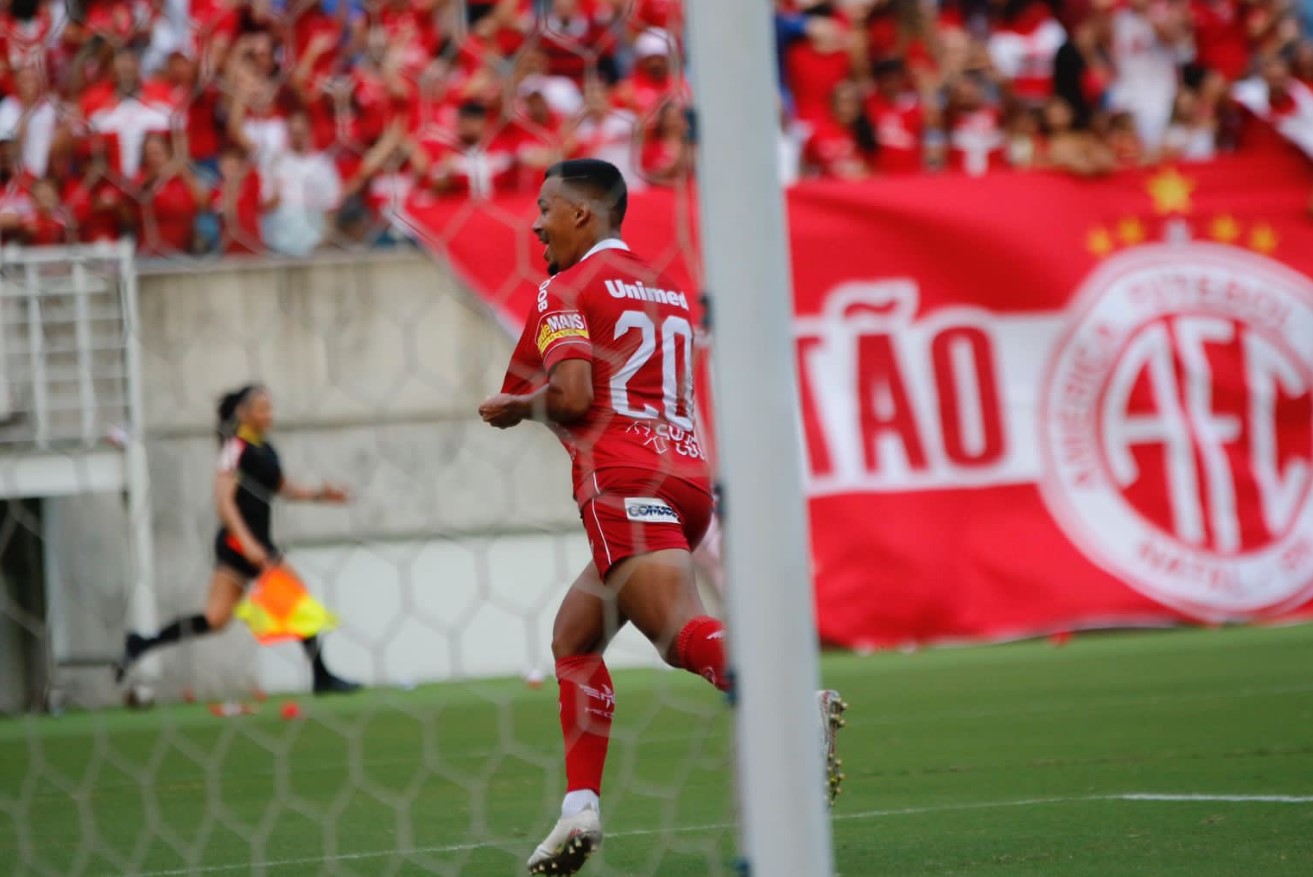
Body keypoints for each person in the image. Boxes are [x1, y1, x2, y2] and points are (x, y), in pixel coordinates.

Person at [478, 159, 846, 875]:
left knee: (680, 637)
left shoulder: (565, 285)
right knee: (574, 636)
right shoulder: (664, 285)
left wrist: (519, 407)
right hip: (686, 479)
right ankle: (577, 807)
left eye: (546, 207)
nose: (535, 222)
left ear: (582, 215)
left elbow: (577, 394)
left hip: (623, 480)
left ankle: (789, 707)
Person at [117, 384, 360, 695]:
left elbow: (284, 488)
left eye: (269, 408)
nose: (268, 414)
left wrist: (322, 495)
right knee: (297, 598)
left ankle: (142, 643)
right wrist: (247, 542)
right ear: (243, 413)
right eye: (261, 408)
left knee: (216, 619)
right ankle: (323, 678)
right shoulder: (234, 449)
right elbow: (224, 500)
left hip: (252, 544)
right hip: (241, 544)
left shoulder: (266, 449)